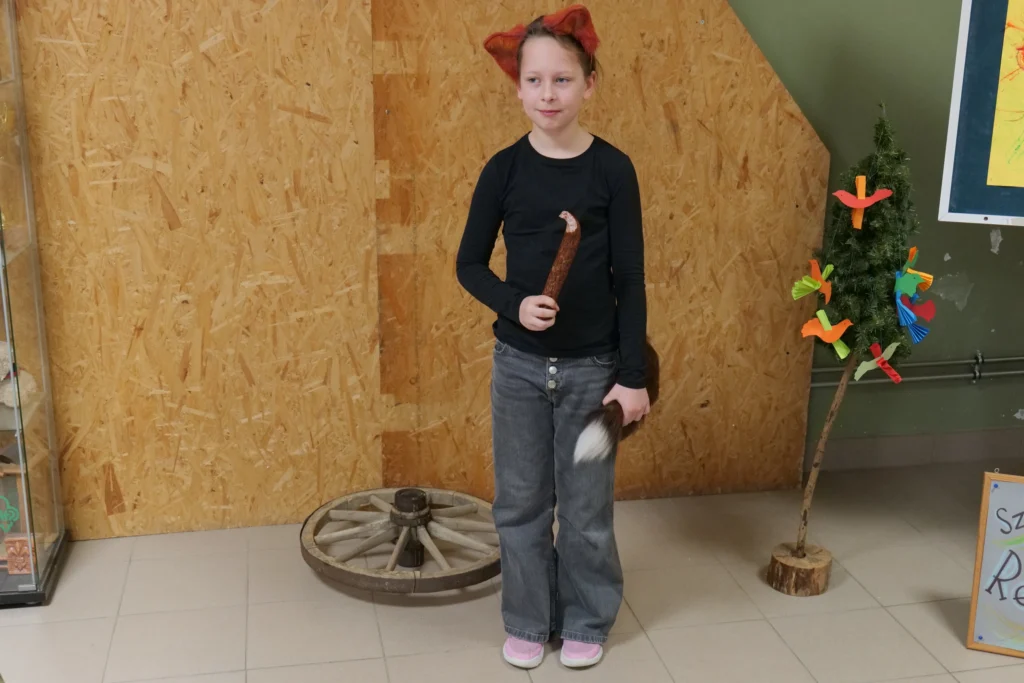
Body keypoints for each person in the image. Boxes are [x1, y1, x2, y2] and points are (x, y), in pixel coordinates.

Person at [455, 4, 649, 670]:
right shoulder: (503, 170)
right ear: (517, 88)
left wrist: (632, 377)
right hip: (518, 369)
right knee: (520, 503)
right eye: (534, 80)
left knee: (587, 506)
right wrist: (515, 304)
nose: (547, 94)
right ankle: (529, 618)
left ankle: (587, 617)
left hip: (594, 372)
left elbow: (631, 280)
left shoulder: (613, 171)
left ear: (589, 84)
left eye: (562, 80)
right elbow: (469, 265)